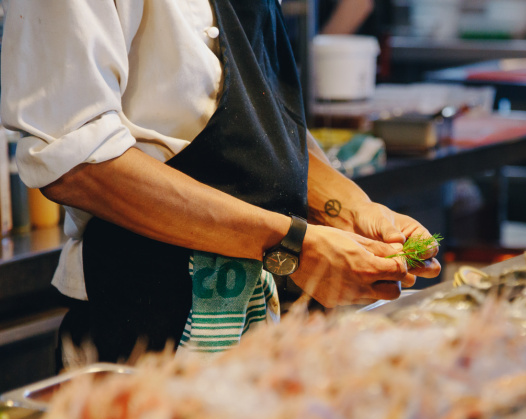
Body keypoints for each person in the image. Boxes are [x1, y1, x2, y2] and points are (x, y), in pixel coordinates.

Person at [0, 0, 440, 364]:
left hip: (262, 335)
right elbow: (78, 164)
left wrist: (352, 210)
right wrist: (291, 247)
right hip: (146, 329)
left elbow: (259, 134)